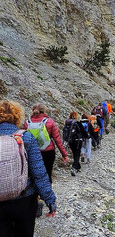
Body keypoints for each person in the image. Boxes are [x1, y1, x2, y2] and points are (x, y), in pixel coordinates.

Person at [0, 100, 56, 237]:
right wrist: (50, 200)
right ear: (18, 117)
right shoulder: (26, 137)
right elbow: (39, 173)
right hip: (25, 199)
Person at [24, 103, 68, 183]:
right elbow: (57, 140)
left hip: (32, 152)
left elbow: (24, 138)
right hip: (48, 151)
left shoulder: (27, 123)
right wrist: (64, 154)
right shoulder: (50, 122)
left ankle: (35, 193)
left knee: (33, 174)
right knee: (47, 173)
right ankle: (46, 193)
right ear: (44, 111)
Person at [63, 111, 88, 176]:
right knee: (77, 154)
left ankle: (78, 166)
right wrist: (88, 136)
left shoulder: (67, 123)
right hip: (78, 141)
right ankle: (73, 167)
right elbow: (83, 132)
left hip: (70, 141)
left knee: (75, 153)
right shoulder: (77, 123)